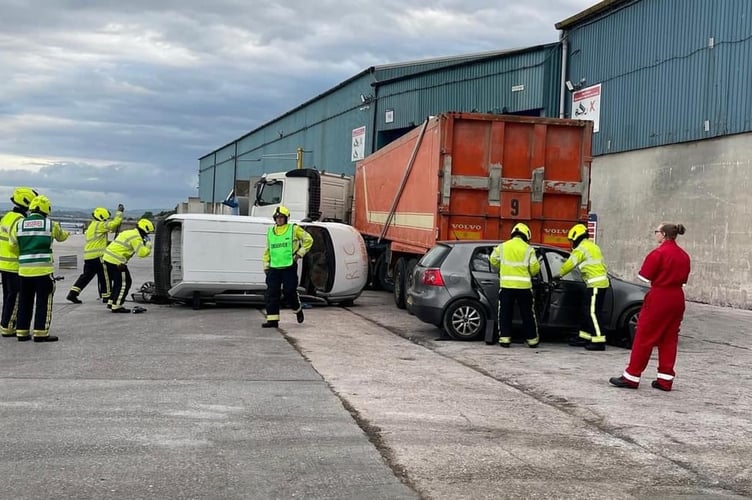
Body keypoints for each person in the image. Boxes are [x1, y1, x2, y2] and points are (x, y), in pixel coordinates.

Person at [610, 223, 691, 391]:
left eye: (656, 232)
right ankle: (665, 380)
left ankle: (631, 376)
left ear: (663, 234)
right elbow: (683, 280)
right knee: (669, 338)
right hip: (677, 298)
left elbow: (644, 276)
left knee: (644, 336)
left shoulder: (658, 253)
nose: (655, 235)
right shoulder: (684, 255)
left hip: (660, 296)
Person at [10, 195, 69, 342]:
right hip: (43, 272)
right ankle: (40, 333)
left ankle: (22, 333)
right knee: (44, 301)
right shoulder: (50, 224)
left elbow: (12, 244)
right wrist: (66, 233)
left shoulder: (19, 224)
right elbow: (61, 237)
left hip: (24, 271)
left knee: (25, 301)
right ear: (46, 209)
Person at [554, 223, 611, 351]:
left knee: (592, 313)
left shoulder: (581, 249)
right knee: (587, 311)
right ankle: (584, 337)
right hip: (597, 284)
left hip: (595, 284)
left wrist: (558, 274)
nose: (572, 243)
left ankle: (598, 340)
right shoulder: (593, 246)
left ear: (576, 237)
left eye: (572, 240)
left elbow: (570, 264)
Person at [489, 222, 541, 348]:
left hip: (506, 286)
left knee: (505, 313)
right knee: (528, 314)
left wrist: (502, 268)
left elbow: (492, 259)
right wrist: (529, 272)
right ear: (526, 236)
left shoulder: (502, 247)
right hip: (524, 288)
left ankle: (505, 339)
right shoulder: (529, 249)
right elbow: (535, 268)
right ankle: (532, 340)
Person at [261, 206, 313, 328]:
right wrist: (266, 266)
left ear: (286, 218)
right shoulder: (270, 231)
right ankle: (272, 320)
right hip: (274, 268)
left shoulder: (294, 229)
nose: (279, 220)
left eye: (282, 217)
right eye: (277, 217)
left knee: (289, 292)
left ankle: (297, 309)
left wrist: (299, 254)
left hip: (289, 267)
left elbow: (309, 240)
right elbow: (268, 250)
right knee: (271, 294)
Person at [0, 187, 38, 338]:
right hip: (14, 264)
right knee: (15, 296)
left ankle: (5, 322)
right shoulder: (20, 221)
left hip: (3, 263)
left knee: (8, 295)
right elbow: (17, 243)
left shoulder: (7, 216)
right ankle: (8, 327)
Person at [67, 204, 124, 304]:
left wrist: (108, 243)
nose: (106, 220)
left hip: (88, 257)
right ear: (102, 217)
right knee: (105, 276)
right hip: (99, 256)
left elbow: (97, 241)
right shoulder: (100, 225)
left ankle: (73, 293)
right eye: (106, 219)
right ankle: (107, 296)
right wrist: (119, 212)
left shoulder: (91, 227)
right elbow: (115, 223)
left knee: (86, 276)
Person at [102, 218, 154, 313]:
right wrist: (148, 245)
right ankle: (117, 305)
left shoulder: (128, 232)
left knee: (117, 283)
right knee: (124, 283)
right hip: (117, 261)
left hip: (107, 259)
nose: (147, 235)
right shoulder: (136, 238)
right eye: (147, 233)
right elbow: (142, 253)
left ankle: (111, 302)